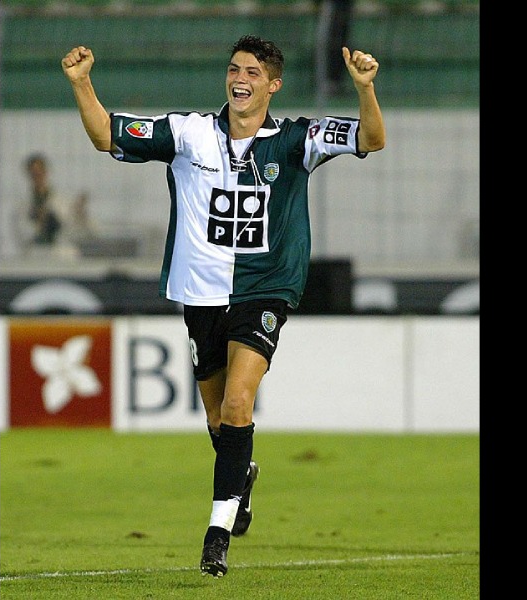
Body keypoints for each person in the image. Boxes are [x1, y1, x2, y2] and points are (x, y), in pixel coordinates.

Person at [61, 34, 385, 577]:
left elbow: (371, 139)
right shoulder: (188, 133)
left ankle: (216, 535)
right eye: (235, 69)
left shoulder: (297, 139)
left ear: (274, 85)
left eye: (253, 73)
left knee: (238, 402)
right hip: (200, 292)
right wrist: (81, 84)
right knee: (217, 417)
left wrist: (365, 88)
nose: (240, 79)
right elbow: (106, 135)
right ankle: (241, 479)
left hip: (265, 288)